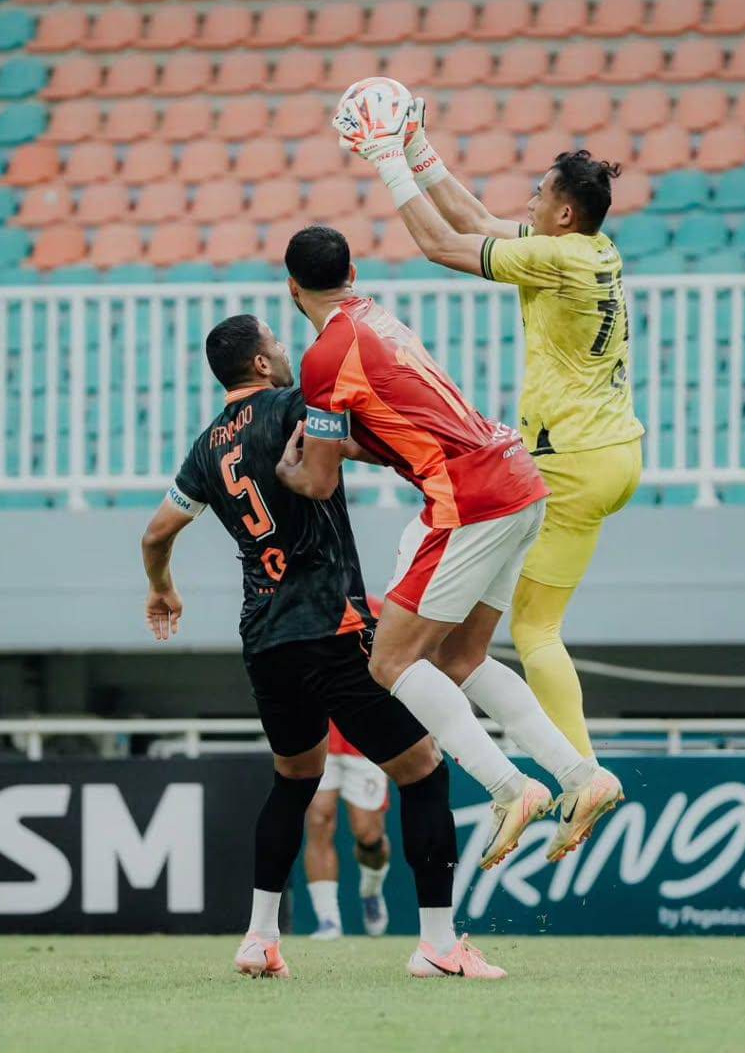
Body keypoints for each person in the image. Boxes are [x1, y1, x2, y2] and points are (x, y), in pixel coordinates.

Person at [141, 313, 506, 980]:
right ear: (260, 363)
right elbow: (362, 447)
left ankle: (259, 938)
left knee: (294, 779)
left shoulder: (203, 449)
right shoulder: (294, 406)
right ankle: (438, 945)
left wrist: (162, 589)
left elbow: (155, 534)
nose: (285, 351)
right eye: (276, 344)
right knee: (424, 770)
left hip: (264, 637)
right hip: (330, 628)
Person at [276, 224, 623, 871]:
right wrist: (353, 446)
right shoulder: (381, 320)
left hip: (469, 499)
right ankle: (582, 775)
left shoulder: (323, 358)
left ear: (293, 288)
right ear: (353, 273)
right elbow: (408, 427)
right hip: (517, 478)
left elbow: (317, 482)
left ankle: (510, 788)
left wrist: (289, 471)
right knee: (462, 657)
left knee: (389, 660)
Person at [343, 87, 643, 763]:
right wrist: (419, 150)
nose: (528, 203)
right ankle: (574, 768)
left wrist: (386, 160)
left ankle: (582, 772)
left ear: (563, 212)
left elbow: (441, 244)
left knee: (535, 631)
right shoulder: (594, 249)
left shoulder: (557, 258)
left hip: (570, 459)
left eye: (539, 193)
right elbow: (475, 217)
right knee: (530, 626)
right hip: (616, 452)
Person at [305, 721, 391, 940]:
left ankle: (371, 889)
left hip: (364, 731)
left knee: (368, 834)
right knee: (319, 821)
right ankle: (328, 919)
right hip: (318, 731)